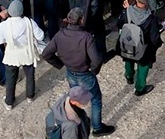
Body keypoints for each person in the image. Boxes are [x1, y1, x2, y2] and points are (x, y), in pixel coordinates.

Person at [42, 7, 114, 136]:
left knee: (75, 99)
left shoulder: (60, 35)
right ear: (81, 20)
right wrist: (94, 71)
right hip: (85, 74)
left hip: (70, 73)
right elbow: (96, 60)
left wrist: (60, 63)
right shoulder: (86, 37)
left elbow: (46, 53)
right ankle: (97, 128)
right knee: (96, 99)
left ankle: (80, 121)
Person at [0, 0, 45, 109]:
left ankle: (9, 102)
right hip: (28, 53)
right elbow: (40, 36)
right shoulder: (29, 22)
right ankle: (30, 96)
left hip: (12, 55)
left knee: (10, 78)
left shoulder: (4, 25)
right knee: (30, 76)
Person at [118, 0, 163, 96]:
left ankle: (129, 76)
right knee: (143, 67)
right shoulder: (151, 18)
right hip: (144, 48)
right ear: (147, 2)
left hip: (129, 44)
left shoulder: (127, 11)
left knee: (128, 60)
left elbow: (118, 24)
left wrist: (126, 10)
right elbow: (154, 38)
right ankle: (139, 88)